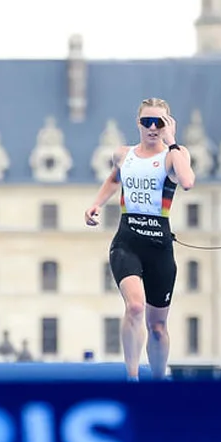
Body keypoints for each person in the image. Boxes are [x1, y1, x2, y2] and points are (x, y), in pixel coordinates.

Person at [83, 98, 195, 381]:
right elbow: (114, 178)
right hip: (127, 241)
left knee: (157, 326)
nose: (153, 128)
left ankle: (157, 381)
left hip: (159, 246)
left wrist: (173, 141)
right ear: (138, 124)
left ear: (168, 124)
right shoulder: (124, 154)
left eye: (160, 122)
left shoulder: (174, 155)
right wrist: (96, 203)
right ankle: (131, 379)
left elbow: (187, 181)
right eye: (147, 122)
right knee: (134, 306)